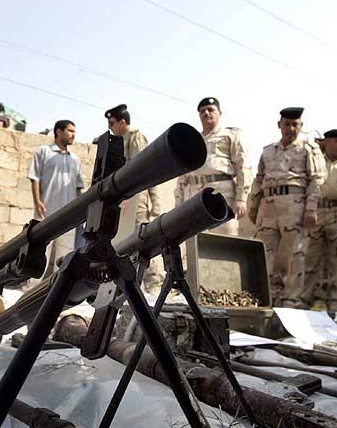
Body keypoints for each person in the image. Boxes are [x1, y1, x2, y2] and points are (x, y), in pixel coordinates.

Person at [248, 107, 326, 308]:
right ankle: (266, 298)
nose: (291, 128)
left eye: (295, 124)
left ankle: (291, 301)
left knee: (295, 255)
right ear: (279, 125)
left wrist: (311, 208)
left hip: (295, 206)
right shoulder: (268, 151)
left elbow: (317, 180)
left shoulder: (308, 149)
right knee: (264, 254)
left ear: (300, 126)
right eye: (287, 124)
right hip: (268, 206)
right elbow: (259, 179)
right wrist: (253, 204)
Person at [105, 104, 162, 293]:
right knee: (126, 243)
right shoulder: (120, 140)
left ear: (123, 122)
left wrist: (155, 203)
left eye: (112, 123)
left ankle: (154, 284)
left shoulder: (135, 137)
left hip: (136, 200)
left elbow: (144, 169)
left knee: (142, 239)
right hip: (125, 201)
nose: (110, 127)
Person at [175, 97, 251, 235]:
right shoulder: (193, 140)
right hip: (193, 196)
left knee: (223, 242)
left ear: (219, 113)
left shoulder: (230, 135)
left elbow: (243, 167)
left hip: (222, 195)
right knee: (195, 242)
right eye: (202, 111)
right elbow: (182, 175)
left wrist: (241, 198)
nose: (206, 113)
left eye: (211, 110)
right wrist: (178, 205)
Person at [28, 120, 84, 275]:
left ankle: (56, 290)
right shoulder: (43, 152)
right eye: (70, 131)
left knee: (64, 254)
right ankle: (30, 289)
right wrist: (37, 201)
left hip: (68, 214)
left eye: (74, 131)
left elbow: (79, 187)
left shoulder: (75, 159)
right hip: (46, 210)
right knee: (40, 252)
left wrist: (80, 211)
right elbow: (35, 178)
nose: (73, 135)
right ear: (59, 132)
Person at [305, 129, 337, 310]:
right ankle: (303, 305)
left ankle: (335, 307)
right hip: (315, 212)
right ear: (327, 143)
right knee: (309, 259)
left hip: (335, 213)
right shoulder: (316, 161)